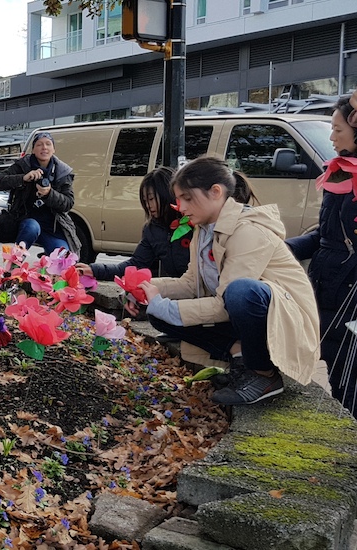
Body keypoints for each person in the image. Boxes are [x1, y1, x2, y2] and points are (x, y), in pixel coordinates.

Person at [136, 156, 319, 406]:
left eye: (187, 198)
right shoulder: (203, 229)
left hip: (284, 322)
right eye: (179, 199)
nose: (180, 206)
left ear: (216, 192)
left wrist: (165, 304)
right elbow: (191, 283)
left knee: (240, 291)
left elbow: (226, 302)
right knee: (157, 313)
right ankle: (239, 354)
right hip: (244, 316)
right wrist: (151, 290)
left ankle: (264, 375)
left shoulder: (248, 230)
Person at [286, 95, 357, 417]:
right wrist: (281, 250)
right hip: (328, 289)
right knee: (337, 367)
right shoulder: (340, 173)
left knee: (349, 374)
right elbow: (323, 235)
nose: (331, 137)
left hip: (350, 293)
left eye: (337, 128)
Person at [75, 167, 188, 280]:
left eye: (151, 199)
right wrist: (94, 270)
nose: (148, 205)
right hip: (178, 288)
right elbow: (134, 265)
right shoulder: (152, 230)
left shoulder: (192, 223)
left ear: (167, 194)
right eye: (145, 201)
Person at [0, 132, 81, 257]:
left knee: (63, 258)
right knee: (32, 226)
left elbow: (68, 203)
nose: (44, 147)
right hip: (26, 222)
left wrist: (49, 193)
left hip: (52, 227)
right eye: (39, 144)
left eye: (48, 144)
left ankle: (51, 272)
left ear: (54, 149)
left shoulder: (62, 172)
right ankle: (13, 268)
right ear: (33, 149)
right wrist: (23, 178)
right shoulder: (23, 165)